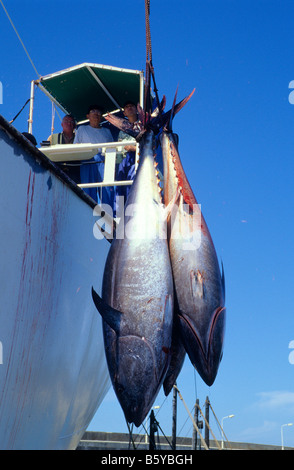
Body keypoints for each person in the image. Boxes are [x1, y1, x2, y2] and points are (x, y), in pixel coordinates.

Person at [74, 104, 114, 205]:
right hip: (87, 160)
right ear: (87, 116)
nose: (96, 114)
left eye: (99, 112)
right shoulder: (81, 129)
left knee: (106, 191)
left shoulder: (107, 131)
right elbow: (76, 145)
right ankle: (89, 213)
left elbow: (112, 149)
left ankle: (109, 215)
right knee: (88, 191)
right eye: (93, 111)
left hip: (103, 162)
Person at [115, 101, 139, 213]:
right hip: (123, 160)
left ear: (137, 110)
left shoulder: (142, 126)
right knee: (120, 185)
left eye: (132, 106)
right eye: (127, 107)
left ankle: (132, 207)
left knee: (132, 182)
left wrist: (133, 148)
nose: (129, 108)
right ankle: (119, 211)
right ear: (124, 113)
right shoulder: (122, 130)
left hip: (137, 159)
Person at [48, 114, 80, 182]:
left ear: (74, 125)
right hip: (57, 171)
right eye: (66, 121)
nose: (69, 123)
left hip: (75, 171)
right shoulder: (53, 138)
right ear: (62, 124)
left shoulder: (79, 138)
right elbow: (46, 152)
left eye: (71, 122)